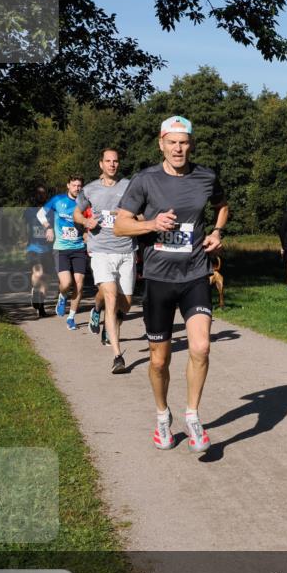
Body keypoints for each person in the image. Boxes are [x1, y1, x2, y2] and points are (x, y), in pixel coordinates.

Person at [114, 116, 229, 452]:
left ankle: (192, 415)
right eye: (172, 142)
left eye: (184, 142)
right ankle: (163, 416)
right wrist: (151, 223)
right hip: (159, 279)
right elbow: (121, 226)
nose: (179, 148)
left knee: (201, 347)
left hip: (195, 273)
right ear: (161, 144)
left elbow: (222, 206)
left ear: (191, 144)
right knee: (159, 361)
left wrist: (217, 233)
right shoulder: (145, 180)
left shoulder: (206, 176)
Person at [74, 148, 136, 374]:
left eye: (116, 161)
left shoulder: (129, 186)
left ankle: (97, 310)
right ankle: (117, 357)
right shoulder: (90, 189)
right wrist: (85, 222)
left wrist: (131, 217)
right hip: (100, 250)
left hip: (126, 251)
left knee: (125, 305)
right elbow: (77, 214)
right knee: (110, 296)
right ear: (101, 164)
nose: (112, 164)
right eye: (108, 161)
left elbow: (142, 215)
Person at [37, 176, 86, 331]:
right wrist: (48, 227)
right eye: (74, 185)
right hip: (61, 248)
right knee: (66, 283)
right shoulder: (58, 200)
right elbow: (40, 214)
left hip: (79, 247)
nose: (77, 188)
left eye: (79, 186)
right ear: (68, 185)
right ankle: (62, 296)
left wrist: (88, 236)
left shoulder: (85, 203)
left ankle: (71, 318)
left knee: (79, 283)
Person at [23, 186, 54, 318]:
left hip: (48, 249)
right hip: (33, 247)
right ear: (34, 195)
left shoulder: (51, 211)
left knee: (46, 279)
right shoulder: (29, 211)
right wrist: (24, 241)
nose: (41, 196)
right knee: (38, 273)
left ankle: (41, 306)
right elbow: (24, 227)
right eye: (38, 193)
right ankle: (35, 290)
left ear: (46, 196)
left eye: (43, 193)